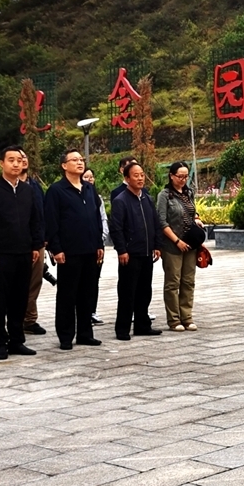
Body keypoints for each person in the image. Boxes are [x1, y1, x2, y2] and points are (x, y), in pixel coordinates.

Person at [0, 146, 44, 360]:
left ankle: (17, 340)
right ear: (2, 163)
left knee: (20, 298)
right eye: (11, 160)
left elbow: (35, 219)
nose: (16, 164)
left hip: (24, 252)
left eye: (19, 160)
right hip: (1, 254)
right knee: (1, 299)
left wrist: (35, 245)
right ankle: (0, 343)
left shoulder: (27, 190)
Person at [45, 150, 105, 350]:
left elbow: (96, 217)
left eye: (81, 160)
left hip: (90, 249)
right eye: (75, 160)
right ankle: (65, 336)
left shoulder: (89, 188)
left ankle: (85, 334)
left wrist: (99, 244)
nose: (80, 163)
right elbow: (51, 221)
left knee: (87, 294)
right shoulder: (56, 190)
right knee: (67, 295)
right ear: (64, 165)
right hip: (69, 251)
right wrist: (56, 248)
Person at [109, 161, 163, 341]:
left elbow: (155, 223)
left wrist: (157, 245)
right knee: (127, 292)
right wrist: (121, 250)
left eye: (142, 175)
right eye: (136, 175)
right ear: (127, 178)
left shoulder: (147, 198)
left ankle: (142, 325)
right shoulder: (121, 200)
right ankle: (122, 329)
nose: (140, 178)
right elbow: (116, 228)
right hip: (130, 254)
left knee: (144, 291)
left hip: (147, 252)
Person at [157, 161, 205, 332]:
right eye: (180, 176)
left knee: (188, 281)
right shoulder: (164, 195)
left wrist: (197, 219)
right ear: (171, 176)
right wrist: (177, 241)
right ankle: (174, 319)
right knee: (173, 282)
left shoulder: (188, 192)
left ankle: (187, 317)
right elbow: (162, 222)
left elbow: (192, 212)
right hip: (172, 245)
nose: (183, 179)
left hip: (190, 243)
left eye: (186, 176)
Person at [19, 150, 49, 337]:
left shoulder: (35, 185)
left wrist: (44, 237)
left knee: (34, 282)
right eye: (16, 159)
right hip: (17, 244)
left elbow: (42, 213)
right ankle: (14, 319)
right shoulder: (6, 188)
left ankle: (29, 320)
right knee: (17, 284)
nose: (22, 161)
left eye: (24, 158)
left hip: (37, 242)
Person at [83, 167, 109, 325]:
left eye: (91, 177)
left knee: (94, 279)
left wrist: (102, 237)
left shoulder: (97, 197)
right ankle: (81, 312)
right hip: (83, 246)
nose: (89, 180)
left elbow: (103, 218)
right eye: (86, 177)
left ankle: (92, 311)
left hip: (98, 244)